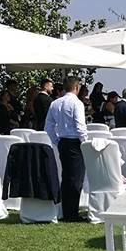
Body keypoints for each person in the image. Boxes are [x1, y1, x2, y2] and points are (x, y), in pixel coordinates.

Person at [44, 76, 87, 222]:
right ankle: (72, 213)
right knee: (76, 178)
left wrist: (56, 140)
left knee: (67, 176)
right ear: (77, 87)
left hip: (63, 141)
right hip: (75, 142)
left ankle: (66, 210)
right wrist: (85, 143)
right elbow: (80, 126)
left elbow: (48, 126)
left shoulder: (55, 103)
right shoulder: (77, 103)